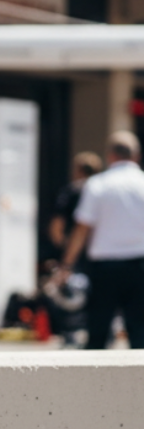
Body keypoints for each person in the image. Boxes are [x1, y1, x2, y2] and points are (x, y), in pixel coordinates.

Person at [57, 130, 144, 349]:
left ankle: (94, 382)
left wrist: (66, 265)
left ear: (110, 155)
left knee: (98, 331)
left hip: (105, 268)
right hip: (140, 265)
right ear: (136, 155)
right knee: (140, 332)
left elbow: (82, 230)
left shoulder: (98, 185)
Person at [49, 152, 103, 255]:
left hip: (74, 251)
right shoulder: (104, 192)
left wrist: (67, 249)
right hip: (100, 251)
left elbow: (57, 226)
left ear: (78, 170)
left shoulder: (70, 191)